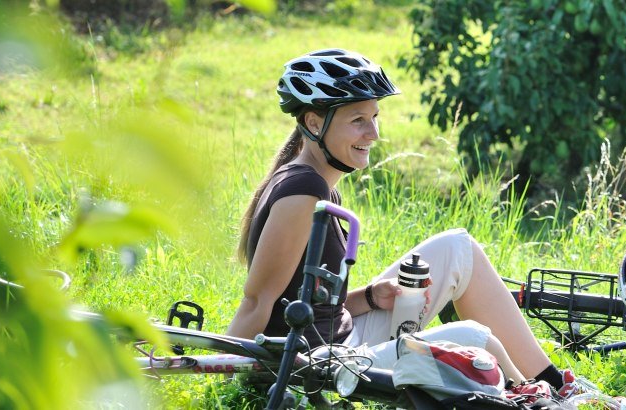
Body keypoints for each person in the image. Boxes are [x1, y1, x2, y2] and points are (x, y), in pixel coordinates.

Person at [223, 48, 581, 395]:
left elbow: (308, 303)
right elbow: (258, 302)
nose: (373, 134)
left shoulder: (318, 187)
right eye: (358, 120)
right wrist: (226, 380)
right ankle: (544, 396)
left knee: (458, 247)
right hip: (322, 364)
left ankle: (551, 381)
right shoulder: (304, 191)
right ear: (313, 122)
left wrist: (369, 298)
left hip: (341, 340)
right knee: (476, 338)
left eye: (374, 117)